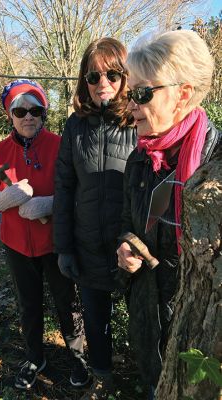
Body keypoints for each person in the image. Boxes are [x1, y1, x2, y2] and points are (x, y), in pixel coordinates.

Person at [116, 29, 221, 399]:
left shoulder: (216, 163)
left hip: (200, 330)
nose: (130, 105)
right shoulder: (139, 158)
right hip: (148, 312)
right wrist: (127, 246)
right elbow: (128, 224)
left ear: (184, 94)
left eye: (142, 93)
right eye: (130, 94)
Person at [0, 79, 88, 391]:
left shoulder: (60, 144)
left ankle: (78, 357)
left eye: (35, 110)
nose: (28, 116)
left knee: (67, 302)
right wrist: (0, 200)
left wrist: (51, 204)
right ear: (9, 115)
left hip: (55, 243)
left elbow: (80, 192)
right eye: (20, 110)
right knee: (28, 304)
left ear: (43, 113)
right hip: (16, 245)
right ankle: (34, 357)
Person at [53, 38, 137, 399]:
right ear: (83, 81)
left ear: (126, 77)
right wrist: (64, 248)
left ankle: (150, 380)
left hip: (132, 250)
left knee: (144, 324)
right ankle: (103, 378)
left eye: (113, 73)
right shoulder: (75, 126)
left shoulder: (139, 120)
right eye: (93, 75)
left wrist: (138, 242)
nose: (103, 82)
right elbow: (64, 188)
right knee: (96, 322)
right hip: (87, 247)